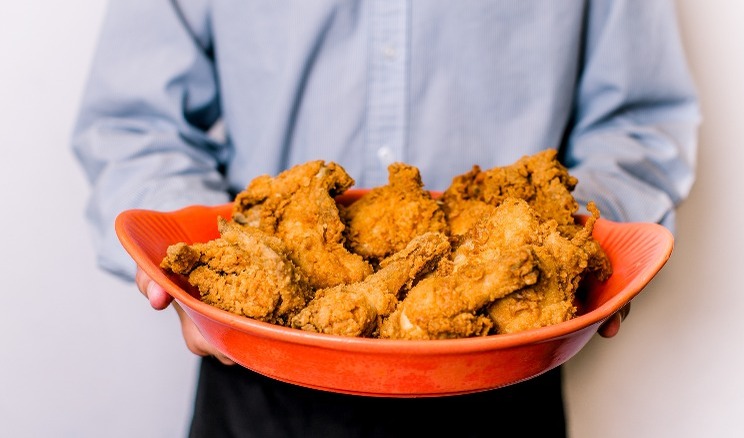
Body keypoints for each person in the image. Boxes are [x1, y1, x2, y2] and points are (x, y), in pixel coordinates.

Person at [72, 1, 699, 436]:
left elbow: (641, 122)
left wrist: (591, 241)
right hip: (256, 377)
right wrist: (193, 268)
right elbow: (134, 122)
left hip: (505, 380)